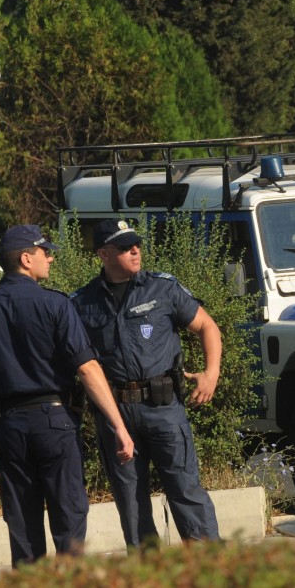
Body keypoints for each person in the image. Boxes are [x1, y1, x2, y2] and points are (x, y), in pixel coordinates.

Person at [0, 225, 135, 567]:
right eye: (44, 252)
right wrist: (119, 425)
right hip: (55, 424)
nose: (50, 257)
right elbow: (87, 369)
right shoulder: (55, 303)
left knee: (22, 529)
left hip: (9, 429)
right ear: (26, 259)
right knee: (69, 522)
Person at [70, 220, 222, 548]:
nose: (135, 250)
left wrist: (211, 373)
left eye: (136, 244)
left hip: (164, 408)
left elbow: (207, 327)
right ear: (103, 254)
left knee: (186, 493)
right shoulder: (82, 303)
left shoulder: (162, 288)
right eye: (125, 248)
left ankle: (213, 572)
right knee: (131, 503)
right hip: (117, 415)